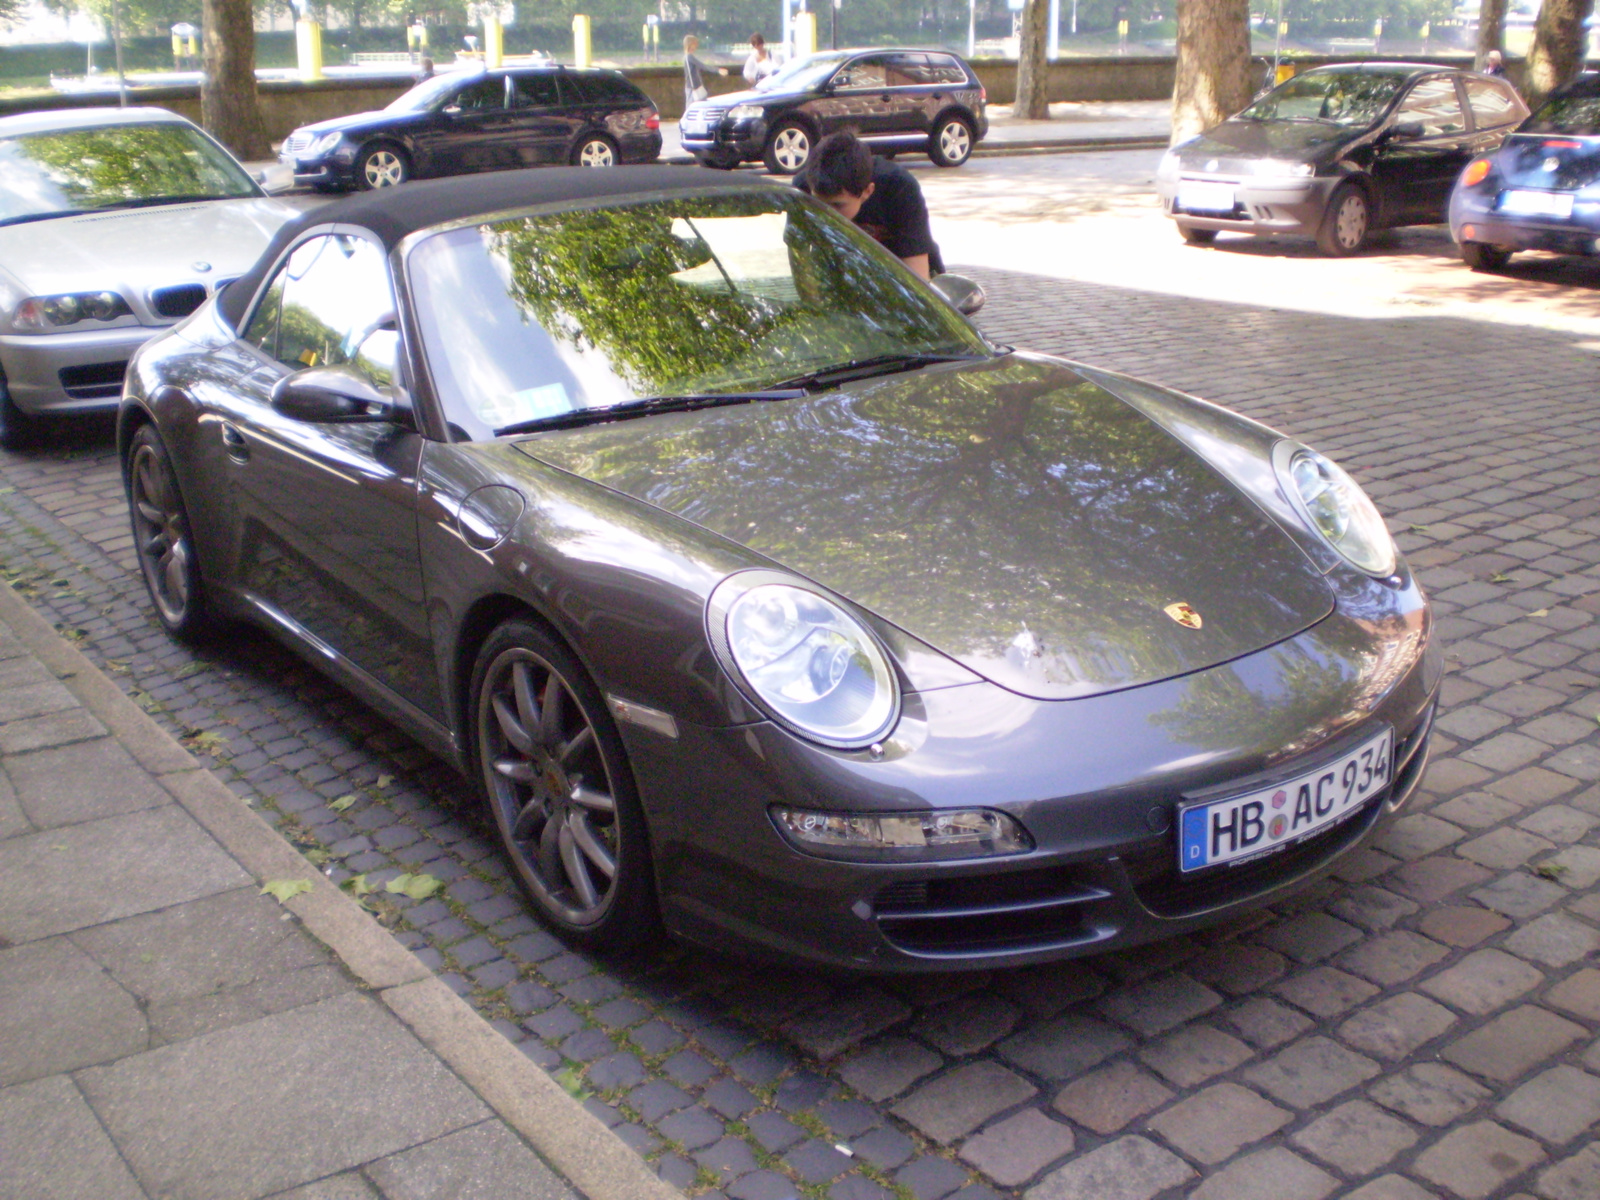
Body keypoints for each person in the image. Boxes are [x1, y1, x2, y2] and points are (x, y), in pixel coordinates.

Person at [796, 131, 943, 280]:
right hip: (841, 274)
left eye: (837, 205)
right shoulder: (802, 188)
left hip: (896, 275)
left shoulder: (899, 188)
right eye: (819, 204)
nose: (828, 215)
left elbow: (917, 275)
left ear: (867, 191)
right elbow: (799, 254)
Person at [682, 35, 729, 109]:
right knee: (691, 107)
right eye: (695, 43)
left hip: (693, 86)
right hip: (693, 87)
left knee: (695, 106)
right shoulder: (689, 57)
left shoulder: (688, 57)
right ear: (690, 44)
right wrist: (717, 70)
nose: (697, 46)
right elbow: (702, 66)